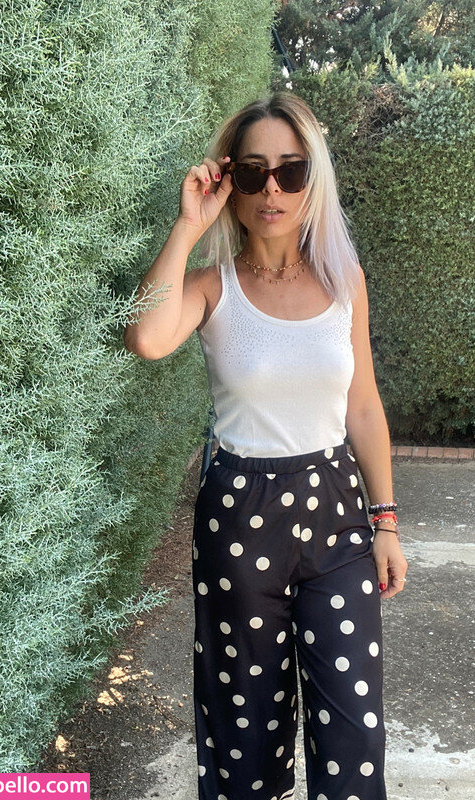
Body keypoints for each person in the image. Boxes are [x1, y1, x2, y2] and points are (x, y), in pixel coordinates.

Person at [124, 90, 408, 800]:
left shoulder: (344, 282)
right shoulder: (211, 288)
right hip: (239, 514)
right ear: (231, 181)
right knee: (244, 726)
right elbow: (147, 337)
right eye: (253, 173)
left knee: (354, 729)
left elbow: (363, 406)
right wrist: (188, 226)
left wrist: (386, 521)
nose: (272, 190)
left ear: (314, 177)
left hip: (336, 512)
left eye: (291, 170)